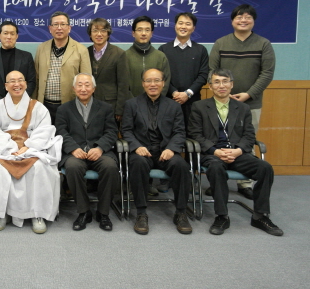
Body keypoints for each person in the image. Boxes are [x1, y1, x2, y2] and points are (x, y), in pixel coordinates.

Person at [188, 68, 282, 236]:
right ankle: (222, 216)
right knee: (216, 168)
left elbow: (249, 135)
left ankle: (260, 216)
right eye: (217, 82)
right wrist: (215, 151)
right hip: (212, 155)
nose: (221, 86)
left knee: (265, 168)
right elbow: (195, 134)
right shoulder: (199, 107)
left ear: (231, 85)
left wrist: (238, 151)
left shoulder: (243, 108)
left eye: (225, 82)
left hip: (237, 154)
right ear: (210, 86)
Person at [0, 71, 63, 233]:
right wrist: (11, 148)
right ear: (6, 86)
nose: (17, 84)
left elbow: (44, 131)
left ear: (26, 84)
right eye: (12, 81)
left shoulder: (39, 107)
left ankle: (37, 214)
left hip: (32, 149)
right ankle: (1, 214)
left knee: (40, 168)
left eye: (20, 80)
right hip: (3, 150)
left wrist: (28, 147)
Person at [209, 4, 276, 200]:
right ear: (232, 21)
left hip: (250, 103)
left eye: (248, 17)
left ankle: (245, 183)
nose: (243, 20)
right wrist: (223, 94)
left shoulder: (263, 44)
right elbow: (212, 71)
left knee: (246, 141)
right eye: (239, 17)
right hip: (221, 101)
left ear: (253, 21)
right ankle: (218, 180)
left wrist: (248, 94)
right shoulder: (221, 43)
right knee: (218, 140)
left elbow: (267, 73)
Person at [122, 68, 192, 235]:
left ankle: (181, 212)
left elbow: (180, 132)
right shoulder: (131, 104)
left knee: (181, 165)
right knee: (137, 163)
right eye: (148, 81)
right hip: (142, 151)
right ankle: (141, 213)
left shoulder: (174, 106)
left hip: (165, 151)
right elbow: (126, 130)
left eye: (156, 80)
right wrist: (136, 146)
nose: (152, 84)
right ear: (143, 84)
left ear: (163, 83)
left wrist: (171, 148)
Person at [56, 73, 120, 231]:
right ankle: (84, 212)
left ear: (94, 88)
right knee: (73, 167)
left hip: (100, 152)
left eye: (87, 85)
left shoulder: (105, 108)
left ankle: (103, 213)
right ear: (73, 88)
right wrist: (73, 148)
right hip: (75, 153)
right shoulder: (64, 109)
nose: (83, 88)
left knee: (110, 167)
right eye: (79, 85)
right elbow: (60, 131)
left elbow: (112, 132)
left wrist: (100, 148)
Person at [33, 11, 91, 123]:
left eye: (63, 24)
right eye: (55, 24)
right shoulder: (41, 48)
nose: (59, 28)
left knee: (66, 133)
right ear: (50, 28)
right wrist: (34, 102)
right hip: (44, 105)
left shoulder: (81, 50)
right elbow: (36, 77)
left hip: (70, 105)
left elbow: (86, 80)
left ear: (69, 28)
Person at [158, 12, 209, 128]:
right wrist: (174, 93)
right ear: (175, 26)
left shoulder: (201, 50)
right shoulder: (163, 49)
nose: (183, 26)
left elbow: (203, 75)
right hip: (169, 101)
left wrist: (188, 93)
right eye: (180, 23)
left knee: (193, 134)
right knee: (169, 133)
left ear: (193, 28)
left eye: (188, 24)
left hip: (193, 102)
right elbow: (161, 76)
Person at [0, 21, 36, 104]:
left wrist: (19, 100)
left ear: (16, 36)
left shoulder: (26, 56)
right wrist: (2, 102)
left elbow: (31, 82)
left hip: (21, 104)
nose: (9, 37)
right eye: (5, 33)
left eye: (12, 34)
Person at [86, 18, 131, 120]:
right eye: (95, 30)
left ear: (108, 34)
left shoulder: (119, 53)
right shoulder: (85, 52)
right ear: (90, 34)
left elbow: (123, 84)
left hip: (111, 105)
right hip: (89, 103)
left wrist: (120, 109)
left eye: (103, 30)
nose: (99, 34)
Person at [124, 16, 171, 98]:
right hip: (131, 104)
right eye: (139, 30)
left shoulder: (160, 56)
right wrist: (132, 103)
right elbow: (122, 84)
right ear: (133, 33)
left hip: (156, 103)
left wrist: (155, 100)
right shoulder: (124, 56)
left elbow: (165, 82)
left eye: (147, 30)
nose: (143, 33)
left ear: (151, 33)